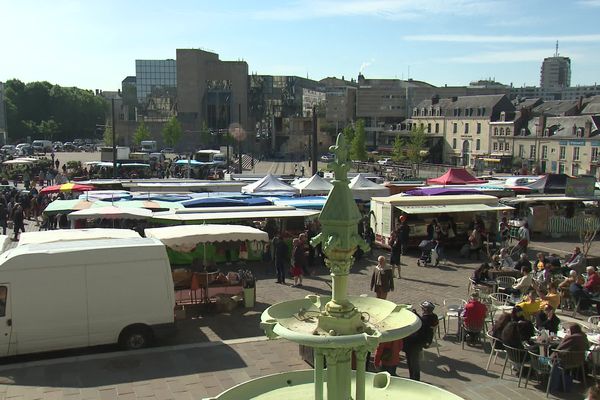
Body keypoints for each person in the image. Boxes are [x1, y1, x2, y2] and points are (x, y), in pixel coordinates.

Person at [402, 301, 439, 381]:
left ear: (425, 309)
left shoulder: (425, 319)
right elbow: (423, 322)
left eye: (422, 308)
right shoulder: (434, 317)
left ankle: (414, 378)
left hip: (416, 343)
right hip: (424, 340)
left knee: (412, 362)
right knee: (415, 361)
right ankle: (414, 377)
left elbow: (419, 325)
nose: (421, 309)